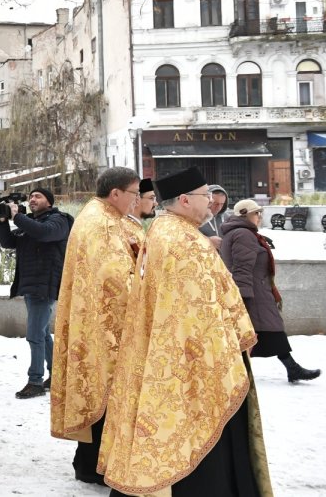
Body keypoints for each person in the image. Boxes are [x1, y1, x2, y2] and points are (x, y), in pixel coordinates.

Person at [100, 167, 272, 497]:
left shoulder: (171, 231)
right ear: (183, 200)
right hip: (195, 360)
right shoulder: (181, 241)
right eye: (205, 195)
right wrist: (226, 347)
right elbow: (199, 308)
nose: (211, 201)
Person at [50, 167, 142, 485]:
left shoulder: (99, 214)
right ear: (115, 193)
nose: (137, 200)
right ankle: (92, 466)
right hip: (104, 326)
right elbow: (116, 281)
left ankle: (90, 462)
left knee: (101, 393)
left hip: (93, 320)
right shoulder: (102, 224)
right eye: (134, 193)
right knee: (105, 393)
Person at [220, 199, 320, 383]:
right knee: (259, 332)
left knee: (269, 332)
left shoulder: (242, 233)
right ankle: (236, 373)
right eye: (256, 213)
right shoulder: (243, 234)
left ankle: (292, 368)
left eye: (260, 212)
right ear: (245, 214)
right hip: (253, 292)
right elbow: (242, 268)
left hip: (258, 290)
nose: (259, 216)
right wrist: (244, 297)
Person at [0, 187, 73, 399]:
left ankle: (35, 381)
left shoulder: (59, 220)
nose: (32, 199)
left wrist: (18, 216)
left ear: (49, 201)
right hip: (31, 284)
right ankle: (57, 375)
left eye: (38, 196)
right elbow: (8, 242)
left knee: (34, 335)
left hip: (45, 284)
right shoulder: (30, 223)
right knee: (42, 333)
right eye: (30, 197)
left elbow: (44, 233)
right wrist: (3, 221)